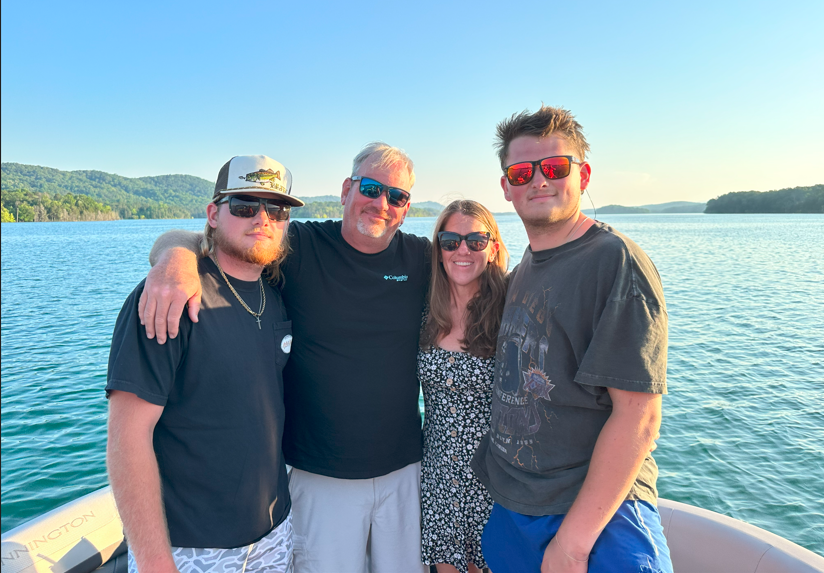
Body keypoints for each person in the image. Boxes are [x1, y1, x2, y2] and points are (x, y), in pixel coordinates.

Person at [138, 143, 430, 573]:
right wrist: (173, 260)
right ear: (348, 189)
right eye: (371, 188)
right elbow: (209, 237)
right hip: (319, 473)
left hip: (405, 469)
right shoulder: (299, 246)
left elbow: (478, 263)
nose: (381, 203)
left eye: (397, 196)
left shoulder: (421, 258)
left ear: (406, 208)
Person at [471, 106, 674, 573]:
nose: (539, 181)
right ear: (506, 186)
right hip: (517, 510)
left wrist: (573, 545)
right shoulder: (523, 270)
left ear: (582, 175)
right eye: (522, 172)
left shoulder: (614, 262)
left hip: (597, 521)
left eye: (555, 168)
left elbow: (639, 417)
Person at [106, 155, 303, 573]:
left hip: (274, 533)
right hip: (191, 547)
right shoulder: (169, 298)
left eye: (277, 209)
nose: (263, 219)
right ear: (213, 214)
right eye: (245, 206)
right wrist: (157, 562)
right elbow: (127, 437)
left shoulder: (276, 293)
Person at [418, 200, 508, 573]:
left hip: (494, 479)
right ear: (439, 251)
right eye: (451, 241)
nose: (463, 250)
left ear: (494, 248)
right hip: (438, 475)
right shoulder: (424, 311)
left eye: (475, 240)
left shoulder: (510, 308)